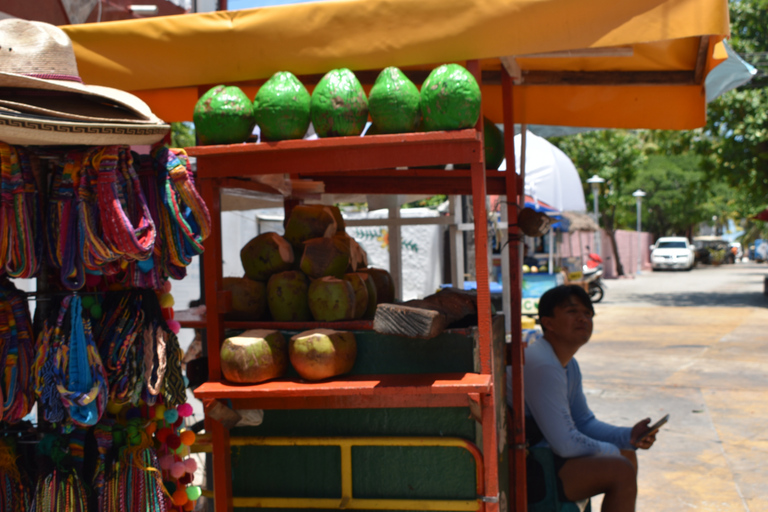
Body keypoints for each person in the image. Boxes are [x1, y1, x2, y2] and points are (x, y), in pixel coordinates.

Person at [509, 284, 657, 512]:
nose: (583, 319)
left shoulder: (568, 364)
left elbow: (584, 421)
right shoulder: (543, 364)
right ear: (548, 322)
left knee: (627, 454)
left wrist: (628, 436)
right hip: (526, 464)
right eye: (572, 312)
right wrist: (613, 450)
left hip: (544, 454)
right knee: (621, 468)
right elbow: (566, 444)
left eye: (588, 313)